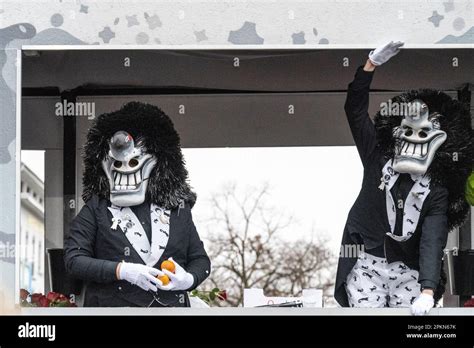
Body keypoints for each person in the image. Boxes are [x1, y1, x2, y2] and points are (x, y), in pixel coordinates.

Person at [335, 41, 473, 315]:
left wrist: (428, 290)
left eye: (424, 133)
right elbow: (355, 112)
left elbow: (432, 240)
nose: (414, 137)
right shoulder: (377, 158)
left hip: (408, 271)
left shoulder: (437, 191)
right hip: (367, 265)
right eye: (408, 130)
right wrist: (369, 66)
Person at [64, 102, 211, 307]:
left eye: (134, 162)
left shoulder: (178, 209)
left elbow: (200, 260)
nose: (125, 167)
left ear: (159, 162)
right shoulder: (97, 208)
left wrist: (188, 279)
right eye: (117, 163)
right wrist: (121, 271)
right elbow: (74, 259)